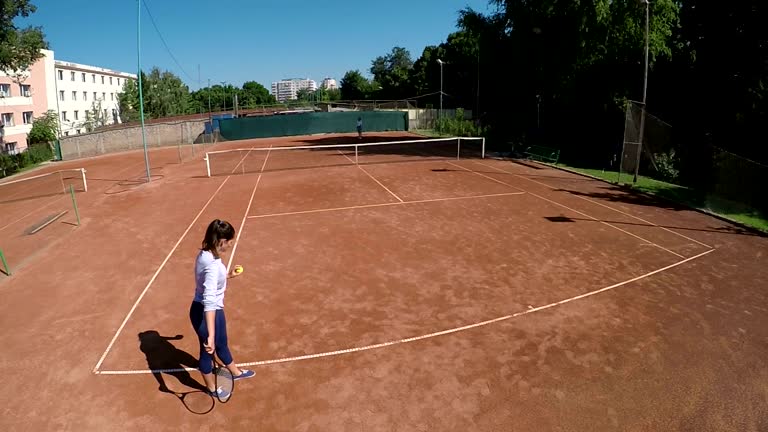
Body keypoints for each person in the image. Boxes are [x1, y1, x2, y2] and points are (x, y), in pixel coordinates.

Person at [190, 219, 255, 399]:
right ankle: (211, 388)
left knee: (222, 343)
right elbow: (209, 301)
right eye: (229, 241)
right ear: (221, 241)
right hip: (204, 312)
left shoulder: (207, 254)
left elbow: (208, 284)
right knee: (207, 351)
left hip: (212, 309)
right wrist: (209, 335)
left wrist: (228, 276)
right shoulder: (211, 265)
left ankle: (235, 372)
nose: (231, 244)